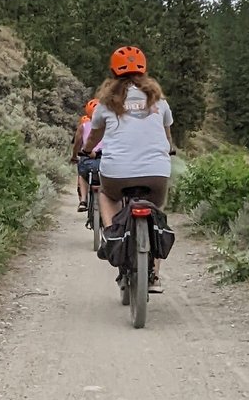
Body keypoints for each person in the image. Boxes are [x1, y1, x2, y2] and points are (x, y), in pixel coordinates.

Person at [85, 45, 174, 287]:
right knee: (156, 207)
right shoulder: (159, 100)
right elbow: (167, 137)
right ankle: (153, 276)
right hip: (156, 171)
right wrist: (169, 149)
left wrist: (86, 149)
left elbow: (93, 138)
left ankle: (112, 237)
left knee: (105, 194)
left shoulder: (105, 102)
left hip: (117, 172)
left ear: (113, 71)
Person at [72, 96, 101, 212]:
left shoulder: (83, 126)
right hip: (104, 159)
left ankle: (83, 200)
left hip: (87, 158)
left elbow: (77, 143)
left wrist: (74, 156)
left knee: (82, 174)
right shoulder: (108, 124)